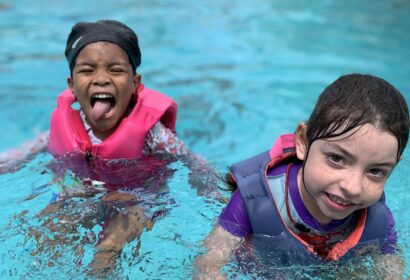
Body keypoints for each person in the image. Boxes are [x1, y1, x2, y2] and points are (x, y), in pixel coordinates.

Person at [0, 19, 221, 275]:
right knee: (47, 230)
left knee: (109, 248)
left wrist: (215, 195)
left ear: (135, 84)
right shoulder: (65, 127)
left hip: (137, 197)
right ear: (71, 86)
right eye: (87, 70)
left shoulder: (153, 135)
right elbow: (16, 157)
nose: (101, 79)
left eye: (115, 70)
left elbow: (193, 161)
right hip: (81, 193)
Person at [195, 74, 409, 279]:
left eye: (376, 171)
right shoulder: (255, 201)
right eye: (336, 158)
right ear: (303, 142)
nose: (352, 187)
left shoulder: (377, 220)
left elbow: (392, 270)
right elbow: (208, 265)